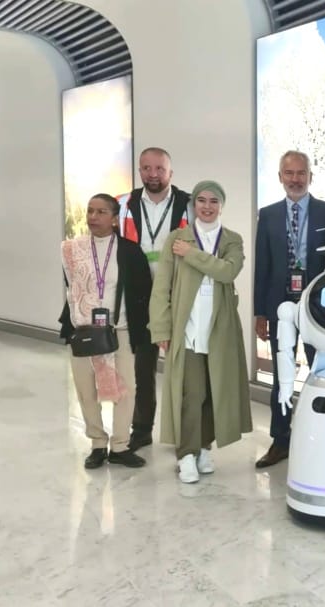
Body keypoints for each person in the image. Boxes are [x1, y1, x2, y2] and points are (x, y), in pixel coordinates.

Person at [149, 180, 252, 484]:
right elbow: (162, 287)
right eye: (202, 200)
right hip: (188, 328)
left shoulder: (232, 240)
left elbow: (228, 271)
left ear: (221, 206)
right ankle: (186, 454)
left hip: (220, 330)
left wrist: (192, 254)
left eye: (214, 201)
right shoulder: (176, 238)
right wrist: (161, 328)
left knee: (214, 391)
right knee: (191, 394)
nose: (207, 207)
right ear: (194, 204)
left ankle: (204, 447)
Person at [254, 151, 325, 468]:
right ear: (280, 177)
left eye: (301, 173)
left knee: (323, 371)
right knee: (282, 375)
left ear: (310, 176)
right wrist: (260, 313)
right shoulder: (268, 215)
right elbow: (263, 265)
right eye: (289, 173)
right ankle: (281, 440)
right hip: (280, 307)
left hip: (319, 307)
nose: (295, 179)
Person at [59, 194, 150, 470]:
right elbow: (72, 290)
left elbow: (142, 291)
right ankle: (98, 443)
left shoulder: (130, 251)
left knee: (126, 389)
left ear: (114, 219)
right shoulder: (73, 249)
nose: (93, 217)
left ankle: (120, 445)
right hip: (83, 331)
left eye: (101, 212)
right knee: (86, 390)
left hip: (120, 329)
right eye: (90, 211)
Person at [118, 147, 193, 452]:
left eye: (159, 168)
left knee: (183, 367)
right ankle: (142, 429)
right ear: (139, 171)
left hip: (177, 293)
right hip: (138, 295)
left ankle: (183, 434)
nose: (153, 174)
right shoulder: (124, 204)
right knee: (142, 367)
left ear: (170, 172)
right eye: (146, 168)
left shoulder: (189, 204)